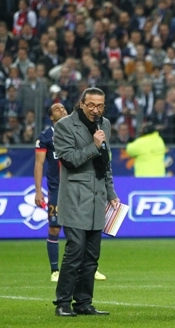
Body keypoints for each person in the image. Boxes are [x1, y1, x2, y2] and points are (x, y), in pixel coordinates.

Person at [53, 88, 119, 317]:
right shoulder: (64, 126)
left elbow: (106, 162)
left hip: (97, 197)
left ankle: (83, 303)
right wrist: (94, 145)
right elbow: (69, 161)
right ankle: (62, 303)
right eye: (91, 105)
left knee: (92, 255)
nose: (95, 110)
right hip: (75, 197)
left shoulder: (105, 125)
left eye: (100, 106)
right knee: (75, 251)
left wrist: (111, 193)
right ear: (81, 104)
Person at [34, 103, 108, 283]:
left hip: (81, 186)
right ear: (51, 117)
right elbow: (39, 163)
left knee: (84, 227)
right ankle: (55, 270)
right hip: (57, 188)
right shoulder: (45, 137)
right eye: (56, 109)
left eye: (63, 108)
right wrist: (38, 191)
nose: (62, 110)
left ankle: (90, 267)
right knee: (54, 227)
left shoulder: (78, 130)